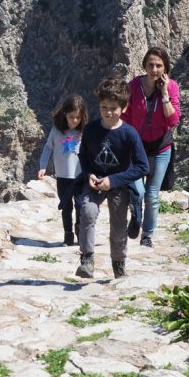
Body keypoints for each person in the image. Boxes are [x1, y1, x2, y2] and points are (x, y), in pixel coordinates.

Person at [76, 76, 149, 279]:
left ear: (124, 108)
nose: (108, 112)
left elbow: (142, 166)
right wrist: (89, 174)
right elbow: (83, 155)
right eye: (104, 107)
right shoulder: (91, 129)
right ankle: (87, 259)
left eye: (113, 108)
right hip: (95, 181)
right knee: (88, 212)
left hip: (119, 185)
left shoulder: (129, 134)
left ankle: (118, 263)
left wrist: (114, 181)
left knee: (118, 228)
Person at [122, 46, 181, 247]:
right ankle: (136, 215)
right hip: (137, 147)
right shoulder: (133, 87)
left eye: (159, 66)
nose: (154, 69)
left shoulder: (172, 87)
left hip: (161, 147)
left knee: (152, 194)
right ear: (144, 65)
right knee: (137, 190)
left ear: (165, 68)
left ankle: (147, 236)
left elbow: (173, 119)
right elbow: (125, 116)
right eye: (151, 65)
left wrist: (164, 94)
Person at [38, 94, 88, 245]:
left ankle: (80, 232)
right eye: (71, 116)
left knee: (80, 206)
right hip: (63, 177)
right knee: (66, 207)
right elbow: (48, 148)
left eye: (78, 118)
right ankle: (68, 235)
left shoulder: (84, 132)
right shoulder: (56, 131)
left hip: (80, 176)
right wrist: (42, 166)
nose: (74, 121)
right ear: (65, 114)